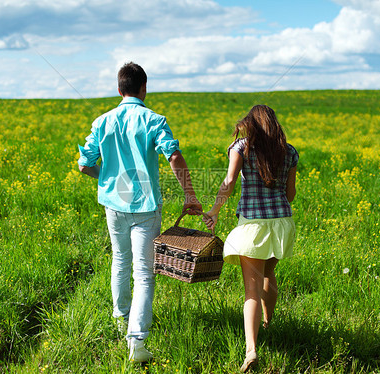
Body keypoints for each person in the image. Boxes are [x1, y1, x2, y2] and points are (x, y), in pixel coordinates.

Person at [78, 62, 202, 363]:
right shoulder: (154, 120)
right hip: (146, 206)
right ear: (144, 88)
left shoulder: (102, 121)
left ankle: (120, 321)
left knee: (120, 262)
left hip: (113, 205)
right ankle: (136, 340)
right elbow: (173, 154)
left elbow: (84, 164)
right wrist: (189, 194)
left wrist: (108, 179)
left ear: (119, 89)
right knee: (144, 273)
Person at [203, 105, 298, 372]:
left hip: (253, 227)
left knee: (251, 290)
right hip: (281, 224)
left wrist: (214, 211)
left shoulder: (241, 148)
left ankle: (251, 350)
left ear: (251, 124)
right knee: (270, 275)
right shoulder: (289, 152)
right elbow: (290, 195)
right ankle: (268, 324)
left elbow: (230, 181)